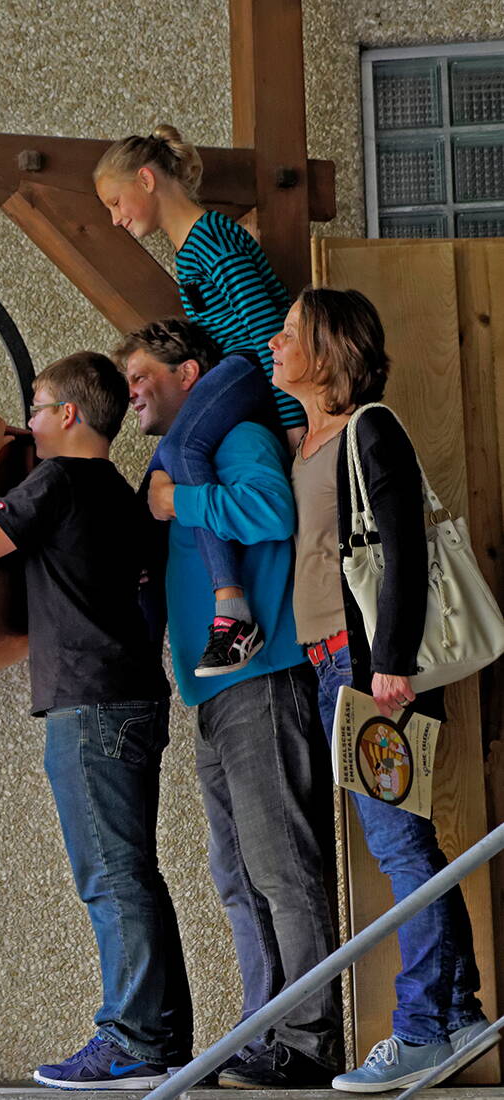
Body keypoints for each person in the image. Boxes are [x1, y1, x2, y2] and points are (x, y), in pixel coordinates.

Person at [270, 287, 495, 1091]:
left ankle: (423, 1027)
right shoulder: (306, 440)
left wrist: (388, 663)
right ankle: (459, 1010)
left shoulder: (372, 428)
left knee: (399, 843)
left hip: (372, 670)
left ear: (328, 352)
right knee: (402, 841)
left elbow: (403, 552)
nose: (275, 340)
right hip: (333, 664)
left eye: (291, 332)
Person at [117, 318, 343, 1088]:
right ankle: (264, 1030)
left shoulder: (235, 437)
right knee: (237, 872)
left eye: (144, 374)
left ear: (190, 374)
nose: (133, 392)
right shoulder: (185, 459)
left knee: (280, 867)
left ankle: (308, 1041)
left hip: (263, 681)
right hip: (215, 695)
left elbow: (274, 513)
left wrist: (183, 504)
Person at [0, 352, 184, 1089]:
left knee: (111, 876)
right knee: (133, 871)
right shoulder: (121, 493)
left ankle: (133, 1038)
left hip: (89, 705)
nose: (30, 420)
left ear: (70, 416)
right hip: (134, 695)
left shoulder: (54, 481)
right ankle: (160, 1035)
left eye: (37, 406)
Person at [96, 126, 302, 677]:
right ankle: (145, 597)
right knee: (165, 465)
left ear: (147, 178)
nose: (117, 219)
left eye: (117, 202)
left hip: (253, 370)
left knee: (183, 445)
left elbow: (264, 329)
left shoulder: (211, 238)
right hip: (240, 374)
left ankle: (232, 609)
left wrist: (292, 424)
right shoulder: (191, 256)